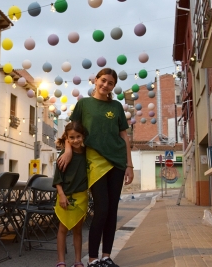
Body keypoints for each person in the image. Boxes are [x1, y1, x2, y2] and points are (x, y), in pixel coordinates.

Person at [57, 68, 134, 267]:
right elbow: (70, 130)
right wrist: (67, 149)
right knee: (101, 209)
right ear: (95, 80)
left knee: (112, 210)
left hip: (117, 162)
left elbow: (124, 137)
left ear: (113, 87)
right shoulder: (84, 104)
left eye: (110, 83)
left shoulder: (116, 107)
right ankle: (92, 259)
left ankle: (106, 256)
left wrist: (129, 165)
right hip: (95, 162)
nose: (105, 85)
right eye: (103, 80)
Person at [53, 121, 89, 267]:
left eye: (78, 136)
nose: (76, 140)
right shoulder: (64, 155)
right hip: (65, 197)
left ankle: (78, 260)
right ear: (67, 138)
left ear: (83, 136)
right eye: (72, 138)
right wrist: (61, 195)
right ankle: (61, 261)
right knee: (62, 229)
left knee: (78, 230)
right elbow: (57, 178)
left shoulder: (87, 153)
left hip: (81, 197)